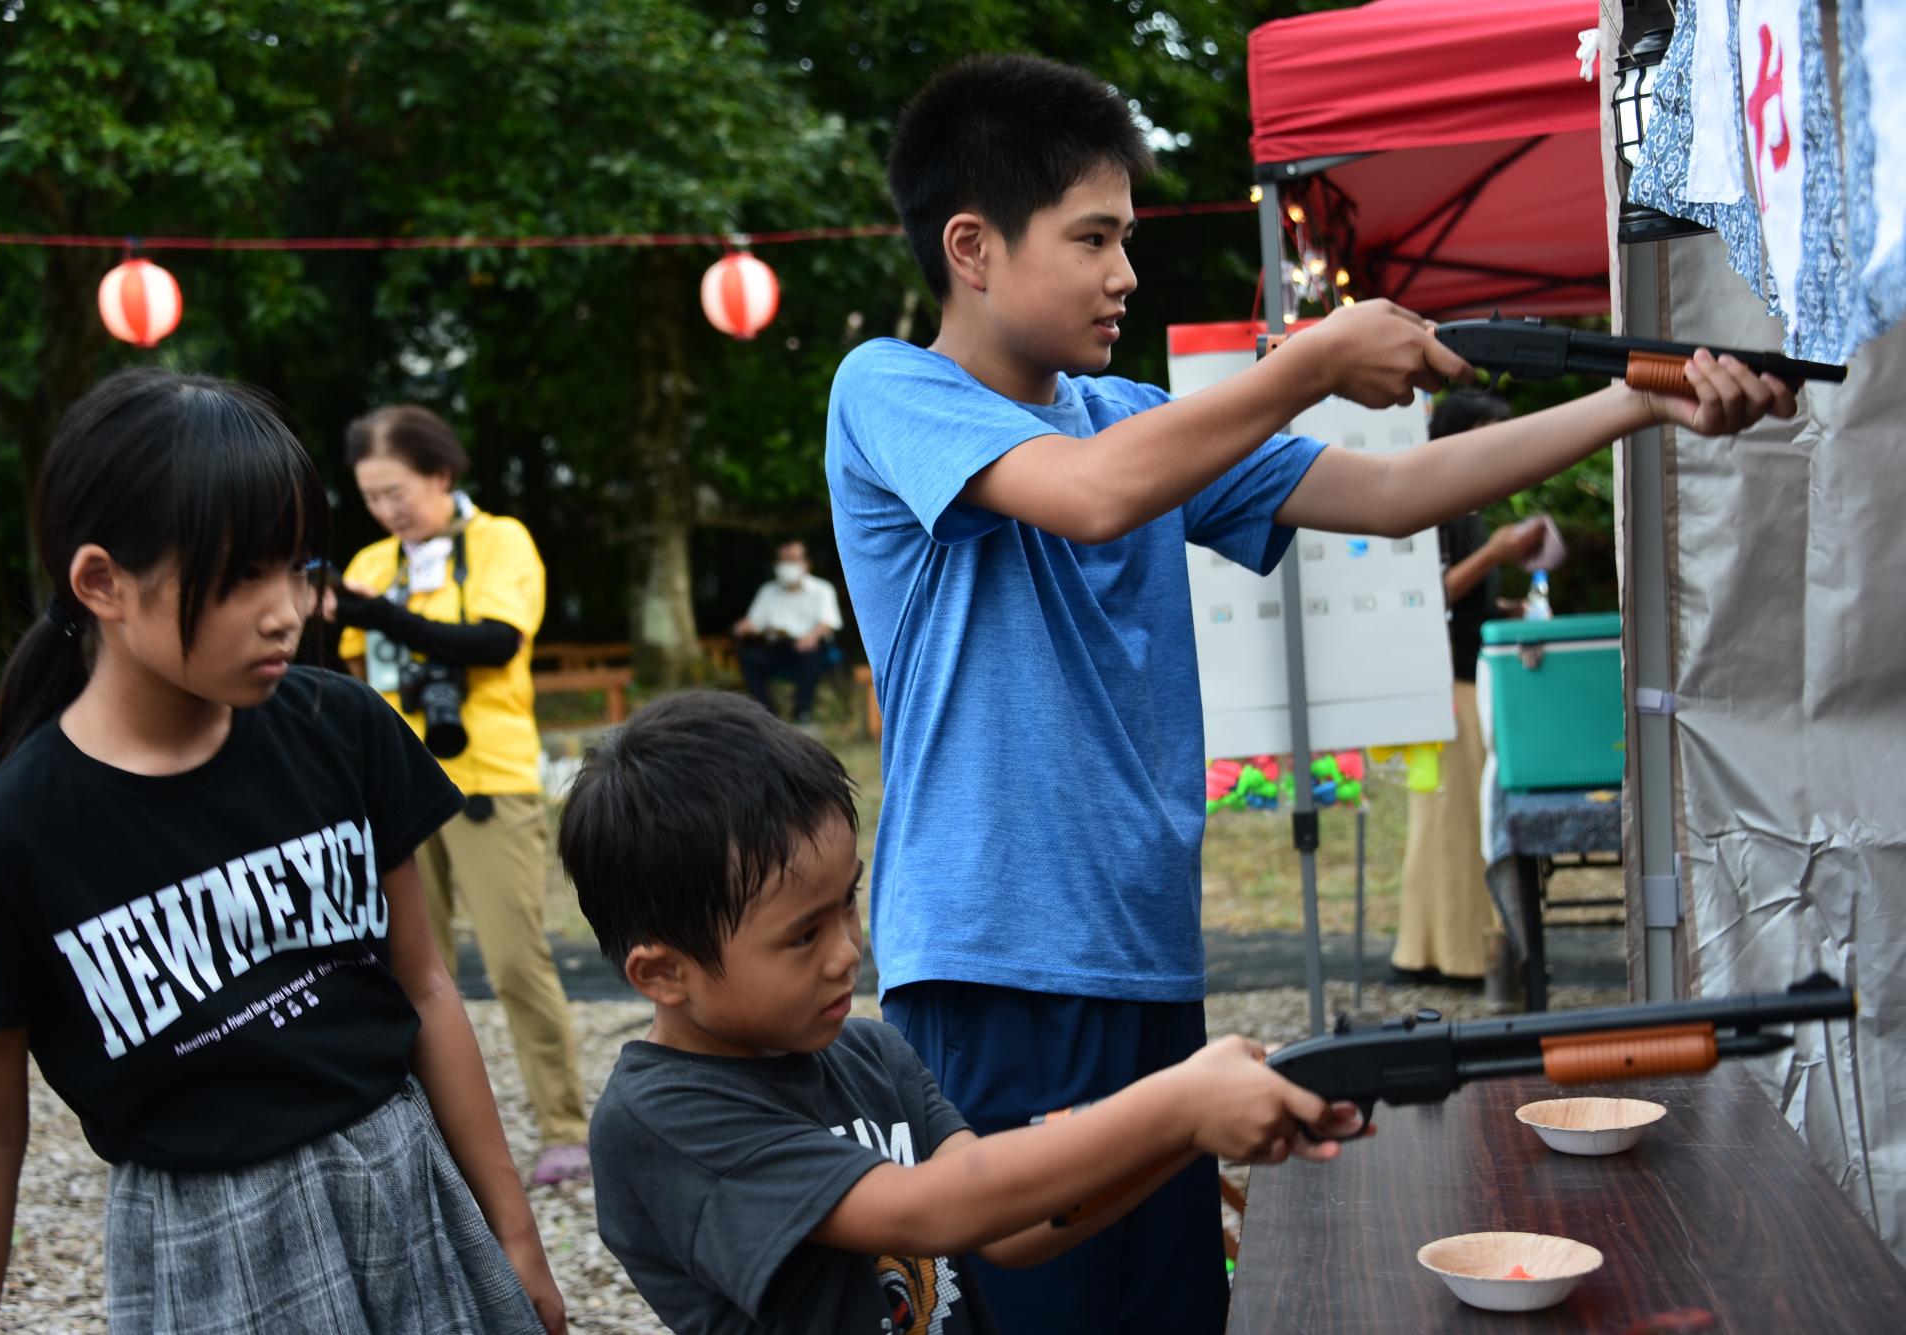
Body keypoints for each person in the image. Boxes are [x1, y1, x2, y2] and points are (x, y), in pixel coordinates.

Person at [824, 53, 1799, 1335]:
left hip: (1145, 954)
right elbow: (1088, 494)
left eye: (1127, 236)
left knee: (1166, 1309)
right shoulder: (887, 392)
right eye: (1093, 238)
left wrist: (1637, 400)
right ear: (972, 247)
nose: (1124, 273)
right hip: (997, 960)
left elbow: (1389, 496)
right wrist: (1313, 359)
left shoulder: (1131, 412)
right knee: (1027, 1310)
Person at [0, 369, 564, 1334]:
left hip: (406, 1180)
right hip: (204, 1243)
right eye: (239, 576)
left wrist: (514, 1235)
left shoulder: (340, 728)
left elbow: (425, 984)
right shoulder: (8, 837)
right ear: (101, 582)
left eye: (298, 568)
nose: (285, 611)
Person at [557, 691, 1365, 1334]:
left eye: (848, 903)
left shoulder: (871, 1056)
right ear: (663, 973)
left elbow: (1006, 1231)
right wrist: (1178, 1101)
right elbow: (935, 1208)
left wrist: (1185, 1133)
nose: (848, 950)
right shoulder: (660, 1120)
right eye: (803, 935)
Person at [327, 404, 592, 1185]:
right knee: (413, 966)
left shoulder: (500, 540)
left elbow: (498, 641)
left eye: (397, 491)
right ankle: (436, 1138)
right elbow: (347, 664)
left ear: (442, 474)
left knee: (515, 960)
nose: (386, 510)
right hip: (393, 788)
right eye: (372, 497)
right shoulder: (372, 562)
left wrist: (386, 617)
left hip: (489, 777)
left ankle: (564, 1126)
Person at [1391, 391, 1547, 984]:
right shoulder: (1432, 502)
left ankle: (1447, 949)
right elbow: (1427, 596)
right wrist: (1497, 554)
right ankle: (1446, 954)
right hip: (1442, 684)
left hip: (1466, 678)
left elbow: (1463, 599)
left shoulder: (1466, 505)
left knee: (1457, 821)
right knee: (1448, 822)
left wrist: (1506, 605)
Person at [734, 538, 844, 723]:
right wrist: (744, 627)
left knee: (810, 654)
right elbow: (754, 623)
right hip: (776, 647)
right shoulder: (767, 591)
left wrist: (811, 637)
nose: (786, 565)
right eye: (782, 560)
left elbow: (829, 622)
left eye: (792, 560)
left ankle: (802, 710)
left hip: (810, 648)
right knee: (749, 657)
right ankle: (767, 713)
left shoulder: (822, 589)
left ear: (806, 564)